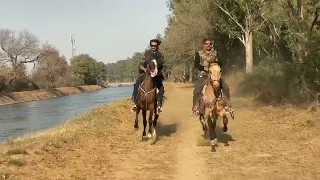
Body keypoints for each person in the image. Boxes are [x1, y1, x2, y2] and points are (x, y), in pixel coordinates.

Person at [190, 38, 232, 117]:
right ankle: (195, 109)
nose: (208, 45)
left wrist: (215, 64)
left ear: (211, 45)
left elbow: (221, 63)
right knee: (196, 90)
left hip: (215, 75)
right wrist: (203, 68)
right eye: (206, 44)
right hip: (204, 75)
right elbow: (196, 64)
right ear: (203, 45)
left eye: (210, 44)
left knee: (226, 87)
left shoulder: (215, 53)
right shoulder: (199, 53)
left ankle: (227, 105)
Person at [131, 39, 165, 113]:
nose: (153, 47)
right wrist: (144, 69)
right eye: (151, 45)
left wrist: (157, 72)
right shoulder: (146, 54)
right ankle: (135, 104)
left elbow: (162, 66)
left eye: (154, 45)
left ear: (157, 46)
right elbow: (140, 65)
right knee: (136, 84)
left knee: (161, 88)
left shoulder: (160, 55)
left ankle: (159, 106)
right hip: (146, 74)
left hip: (156, 75)